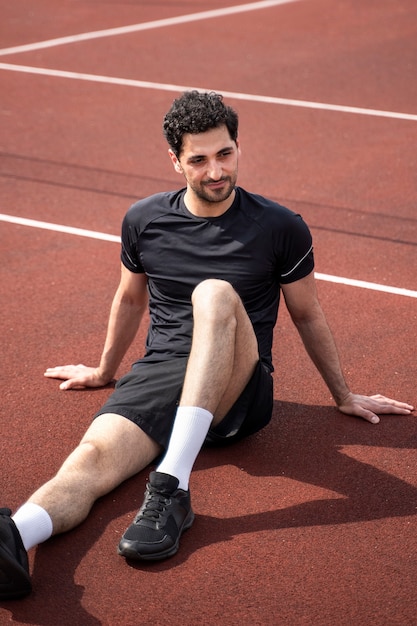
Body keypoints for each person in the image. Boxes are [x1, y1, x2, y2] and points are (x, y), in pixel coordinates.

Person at [0, 91, 413, 600]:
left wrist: (343, 395)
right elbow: (130, 302)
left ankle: (171, 484)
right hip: (163, 374)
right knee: (89, 460)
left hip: (238, 389)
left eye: (225, 154)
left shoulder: (280, 226)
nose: (216, 171)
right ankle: (15, 536)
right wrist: (106, 371)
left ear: (238, 148)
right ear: (175, 161)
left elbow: (306, 312)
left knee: (214, 293)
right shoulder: (144, 220)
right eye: (198, 160)